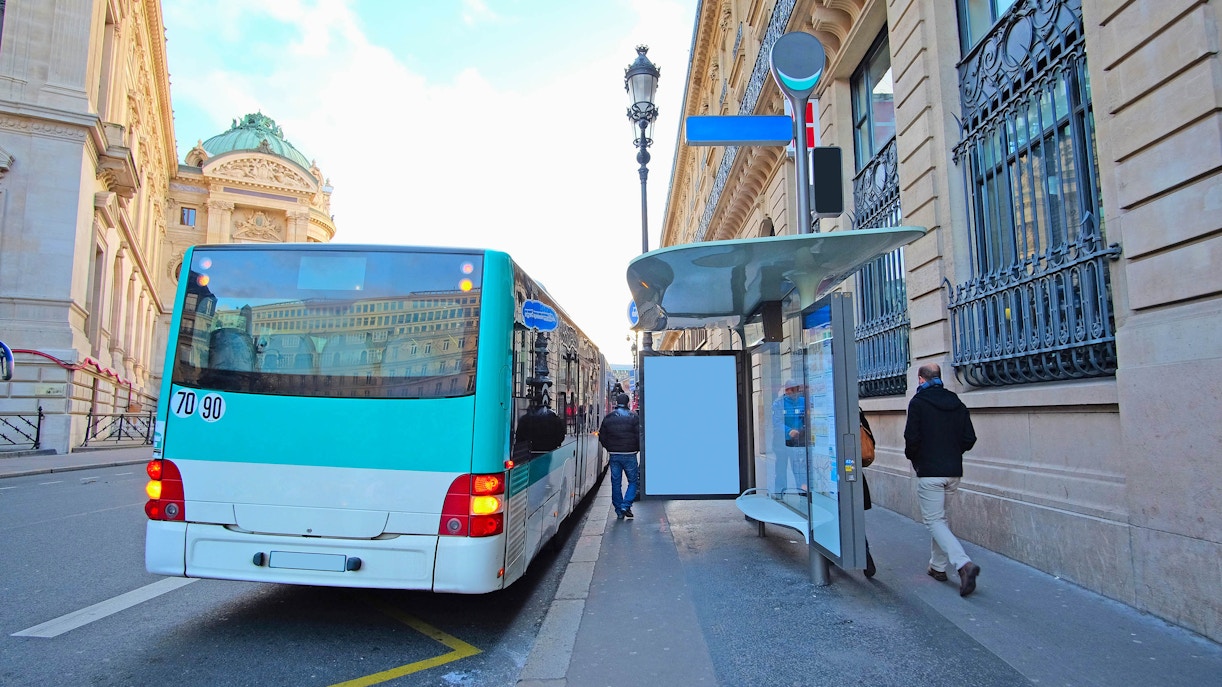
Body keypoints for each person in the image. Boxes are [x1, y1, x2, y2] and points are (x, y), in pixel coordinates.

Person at [904, 362, 980, 596]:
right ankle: (937, 568)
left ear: (920, 379)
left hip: (929, 471)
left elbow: (912, 438)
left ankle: (963, 564)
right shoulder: (957, 402)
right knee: (941, 520)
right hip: (953, 470)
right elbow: (969, 438)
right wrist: (952, 453)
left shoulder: (918, 403)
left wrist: (916, 457)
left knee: (934, 521)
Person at [599, 393, 640, 519]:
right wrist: (636, 448)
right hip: (630, 454)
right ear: (628, 402)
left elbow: (602, 437)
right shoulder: (634, 417)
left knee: (616, 483)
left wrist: (610, 448)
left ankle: (618, 510)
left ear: (617, 402)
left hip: (614, 455)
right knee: (633, 481)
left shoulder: (609, 417)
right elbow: (639, 435)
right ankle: (626, 505)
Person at [771, 379, 807, 493]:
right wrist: (788, 431)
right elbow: (776, 422)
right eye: (788, 389)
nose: (791, 391)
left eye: (793, 389)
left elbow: (809, 419)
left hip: (798, 443)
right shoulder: (779, 403)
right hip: (781, 442)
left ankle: (803, 493)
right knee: (781, 469)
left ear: (797, 389)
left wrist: (803, 431)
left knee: (799, 470)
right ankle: (780, 492)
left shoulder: (804, 402)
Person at [860, 408, 877, 578]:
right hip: (854, 472)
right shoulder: (855, 411)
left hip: (828, 472)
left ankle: (864, 556)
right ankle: (864, 555)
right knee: (853, 516)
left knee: (833, 513)